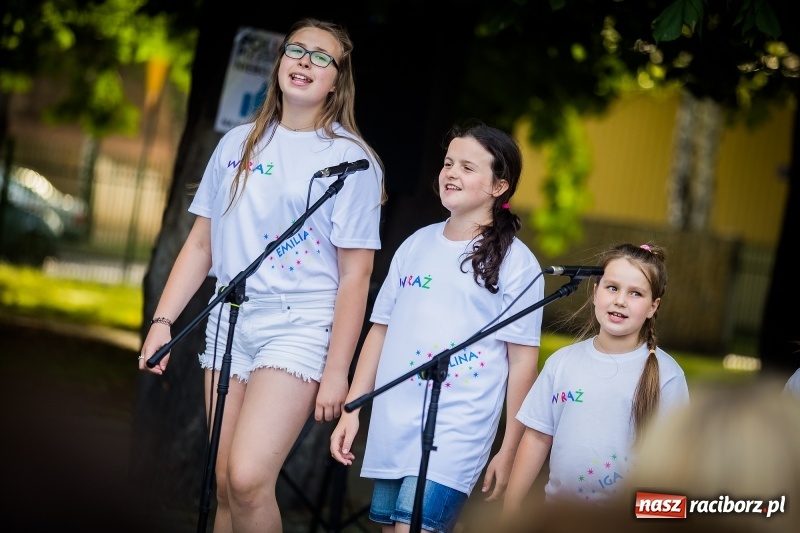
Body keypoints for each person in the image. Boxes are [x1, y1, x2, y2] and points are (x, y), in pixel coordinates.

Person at [138, 18, 384, 533]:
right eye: (295, 50)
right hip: (229, 319)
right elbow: (202, 244)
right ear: (278, 64)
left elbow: (356, 278)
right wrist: (162, 322)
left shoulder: (351, 160)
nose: (304, 62)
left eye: (321, 57)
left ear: (338, 80)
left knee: (250, 479)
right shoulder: (236, 145)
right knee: (226, 481)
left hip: (298, 327)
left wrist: (337, 372)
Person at [330, 123, 545, 533]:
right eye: (448, 163)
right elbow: (380, 332)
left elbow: (522, 367)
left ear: (500, 185)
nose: (451, 173)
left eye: (467, 167)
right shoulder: (415, 244)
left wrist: (509, 449)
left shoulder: (518, 264)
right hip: (394, 422)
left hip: (455, 429)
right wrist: (352, 409)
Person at [502, 243, 690, 519]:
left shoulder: (668, 375)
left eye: (635, 293)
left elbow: (677, 462)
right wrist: (510, 509)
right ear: (595, 292)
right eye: (612, 288)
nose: (620, 300)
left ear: (653, 306)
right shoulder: (562, 362)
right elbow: (537, 437)